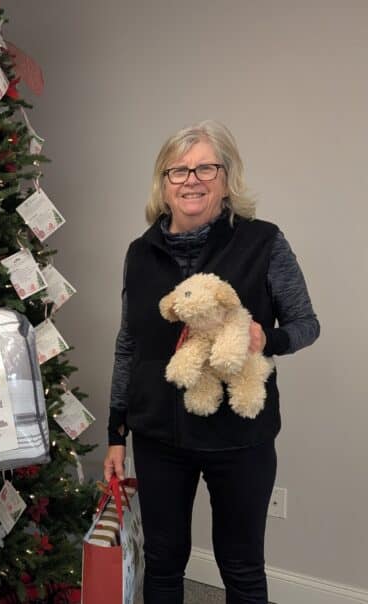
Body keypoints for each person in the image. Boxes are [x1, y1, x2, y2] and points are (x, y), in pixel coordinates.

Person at [103, 120, 319, 604]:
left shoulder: (264, 242)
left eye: (206, 167)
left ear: (226, 180)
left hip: (240, 438)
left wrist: (269, 339)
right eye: (178, 170)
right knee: (162, 564)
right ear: (163, 184)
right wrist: (116, 435)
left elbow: (307, 323)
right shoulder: (139, 254)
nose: (191, 179)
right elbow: (127, 345)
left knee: (241, 568)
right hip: (157, 435)